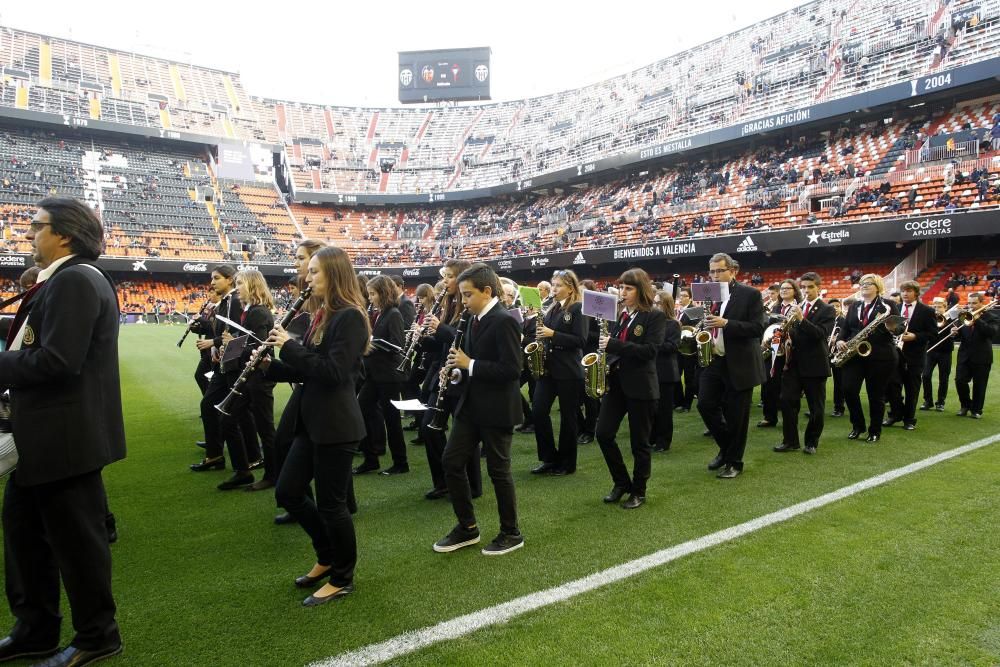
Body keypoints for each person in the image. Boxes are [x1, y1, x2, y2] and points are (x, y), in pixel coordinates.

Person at [0, 197, 125, 665]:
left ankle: (98, 635)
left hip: (65, 439)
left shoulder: (74, 280)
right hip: (46, 437)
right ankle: (36, 629)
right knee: (24, 537)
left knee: (78, 546)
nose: (29, 233)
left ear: (65, 234)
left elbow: (58, 360)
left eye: (38, 226)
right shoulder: (67, 279)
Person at [260, 246, 370, 606]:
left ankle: (342, 576)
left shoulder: (351, 317)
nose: (307, 278)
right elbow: (307, 369)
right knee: (288, 491)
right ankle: (326, 556)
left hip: (336, 425)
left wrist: (289, 346)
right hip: (313, 421)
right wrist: (268, 367)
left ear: (334, 275)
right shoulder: (322, 314)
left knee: (332, 505)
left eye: (315, 272)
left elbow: (335, 373)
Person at [433, 263, 524, 555]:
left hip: (496, 409)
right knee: (451, 461)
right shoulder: (472, 319)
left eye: (468, 295)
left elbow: (512, 370)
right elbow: (469, 362)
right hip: (471, 405)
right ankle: (467, 527)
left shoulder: (505, 320)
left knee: (499, 471)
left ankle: (511, 532)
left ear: (487, 291)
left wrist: (468, 364)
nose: (463, 301)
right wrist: (456, 372)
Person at [595, 268, 667, 508]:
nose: (622, 292)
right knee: (603, 434)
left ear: (640, 290)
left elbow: (650, 351)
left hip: (640, 386)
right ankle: (621, 482)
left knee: (640, 443)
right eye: (621, 288)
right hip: (616, 385)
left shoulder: (654, 316)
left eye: (628, 288)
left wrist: (614, 345)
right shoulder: (620, 315)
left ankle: (639, 490)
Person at [698, 253, 766, 478]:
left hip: (740, 363)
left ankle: (734, 462)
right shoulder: (710, 294)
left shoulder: (750, 294)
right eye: (712, 271)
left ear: (733, 271)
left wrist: (726, 323)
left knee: (737, 416)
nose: (715, 275)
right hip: (715, 359)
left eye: (719, 271)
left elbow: (757, 328)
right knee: (705, 404)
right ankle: (727, 449)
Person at [273, 239, 326, 525]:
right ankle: (303, 501)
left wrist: (288, 346)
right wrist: (269, 366)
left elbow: (328, 365)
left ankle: (307, 503)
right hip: (310, 383)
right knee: (291, 441)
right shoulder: (313, 302)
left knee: (300, 444)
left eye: (302, 258)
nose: (298, 264)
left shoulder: (335, 309)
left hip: (323, 390)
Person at [420, 260, 482, 502]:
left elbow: (466, 341)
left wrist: (440, 328)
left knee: (464, 432)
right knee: (428, 427)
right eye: (444, 276)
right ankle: (443, 481)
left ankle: (473, 485)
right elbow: (442, 344)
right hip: (444, 372)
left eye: (448, 276)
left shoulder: (470, 305)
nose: (444, 281)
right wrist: (424, 337)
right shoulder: (448, 304)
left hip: (463, 375)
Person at [215, 269, 275, 491]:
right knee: (229, 421)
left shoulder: (258, 312)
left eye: (240, 283)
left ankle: (271, 475)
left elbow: (261, 348)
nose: (237, 287)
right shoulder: (249, 310)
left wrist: (234, 342)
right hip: (249, 377)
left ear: (252, 285)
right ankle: (243, 471)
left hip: (259, 378)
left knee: (265, 428)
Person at [529, 270, 587, 475]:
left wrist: (553, 334)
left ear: (570, 287)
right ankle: (549, 458)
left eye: (559, 285)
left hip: (569, 370)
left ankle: (567, 463)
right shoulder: (552, 307)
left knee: (568, 418)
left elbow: (581, 341)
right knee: (538, 411)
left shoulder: (578, 308)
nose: (554, 289)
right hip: (549, 368)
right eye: (553, 285)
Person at [189, 266, 245, 473]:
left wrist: (214, 341)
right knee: (210, 406)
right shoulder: (226, 302)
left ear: (230, 280)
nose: (212, 283)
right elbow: (219, 329)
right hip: (222, 363)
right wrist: (204, 330)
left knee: (228, 413)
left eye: (216, 278)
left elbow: (238, 333)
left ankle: (238, 461)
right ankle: (216, 455)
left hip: (231, 364)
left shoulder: (235, 301)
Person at [773, 273, 835, 455]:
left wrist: (801, 319)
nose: (806, 291)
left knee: (816, 407)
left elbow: (820, 334)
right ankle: (790, 441)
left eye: (810, 287)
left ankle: (811, 442)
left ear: (818, 288)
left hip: (815, 364)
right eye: (804, 287)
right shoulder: (796, 307)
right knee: (786, 401)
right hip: (793, 363)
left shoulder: (827, 310)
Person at [835, 274, 900, 443]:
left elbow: (898, 329)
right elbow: (846, 328)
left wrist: (892, 327)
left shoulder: (889, 305)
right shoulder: (855, 305)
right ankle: (858, 426)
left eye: (869, 283)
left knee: (876, 395)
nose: (864, 285)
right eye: (862, 283)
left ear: (878, 286)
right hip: (855, 355)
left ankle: (875, 430)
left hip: (880, 356)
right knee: (848, 389)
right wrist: (841, 340)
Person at [353, 275, 408, 475]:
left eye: (373, 294)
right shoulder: (379, 313)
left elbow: (398, 345)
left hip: (389, 376)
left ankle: (400, 463)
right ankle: (371, 459)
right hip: (375, 375)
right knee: (361, 409)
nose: (371, 298)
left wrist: (372, 344)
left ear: (383, 293)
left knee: (392, 419)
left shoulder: (393, 313)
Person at [884, 281, 936, 431]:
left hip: (915, 356)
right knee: (892, 385)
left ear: (916, 293)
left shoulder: (926, 311)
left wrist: (915, 336)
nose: (905, 294)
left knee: (911, 388)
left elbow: (933, 334)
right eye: (903, 291)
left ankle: (909, 419)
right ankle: (895, 414)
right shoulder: (896, 309)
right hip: (894, 355)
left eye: (909, 291)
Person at [759, 279, 802, 428]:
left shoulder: (799, 307)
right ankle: (769, 417)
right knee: (769, 385)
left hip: (792, 351)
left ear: (795, 291)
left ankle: (790, 419)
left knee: (790, 388)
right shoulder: (774, 307)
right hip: (773, 350)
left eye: (788, 288)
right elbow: (765, 326)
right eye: (782, 288)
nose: (784, 290)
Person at [952, 292, 996, 418]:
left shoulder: (991, 317)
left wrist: (977, 320)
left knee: (979, 385)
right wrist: (955, 333)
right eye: (969, 303)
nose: (971, 306)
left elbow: (991, 332)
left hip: (982, 356)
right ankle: (965, 405)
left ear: (982, 303)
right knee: (959, 381)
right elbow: (962, 334)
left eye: (974, 303)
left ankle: (976, 410)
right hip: (964, 355)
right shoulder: (964, 316)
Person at [651, 290, 681, 452]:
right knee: (652, 409)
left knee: (664, 409)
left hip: (666, 372)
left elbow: (673, 346)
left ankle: (663, 441)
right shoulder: (652, 322)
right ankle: (652, 437)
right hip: (651, 370)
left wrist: (654, 344)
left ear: (666, 305)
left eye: (658, 303)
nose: (655, 306)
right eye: (654, 303)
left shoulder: (673, 324)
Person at [921, 297, 952, 411]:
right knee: (926, 375)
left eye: (939, 307)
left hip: (945, 351)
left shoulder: (951, 319)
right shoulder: (930, 319)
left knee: (943, 378)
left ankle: (941, 402)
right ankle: (928, 401)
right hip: (931, 351)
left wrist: (953, 332)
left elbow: (957, 334)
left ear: (945, 307)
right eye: (934, 307)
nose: (937, 309)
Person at [674, 287, 698, 413]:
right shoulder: (678, 311)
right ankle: (678, 401)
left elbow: (696, 328)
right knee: (676, 375)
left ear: (690, 298)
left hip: (689, 349)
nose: (681, 298)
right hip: (678, 347)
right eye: (680, 296)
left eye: (684, 296)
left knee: (689, 377)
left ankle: (687, 404)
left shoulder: (694, 310)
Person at [829, 298, 847, 417]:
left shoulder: (844, 321)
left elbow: (847, 334)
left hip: (837, 354)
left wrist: (838, 339)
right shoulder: (825, 320)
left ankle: (839, 407)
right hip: (824, 353)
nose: (835, 308)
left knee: (839, 381)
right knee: (819, 383)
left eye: (837, 306)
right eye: (832, 306)